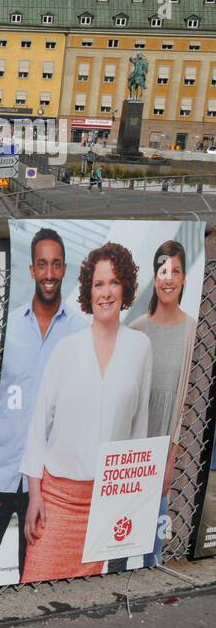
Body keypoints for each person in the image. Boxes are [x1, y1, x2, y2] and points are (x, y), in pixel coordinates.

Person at [21, 243, 152, 583]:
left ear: (125, 288)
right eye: (98, 284)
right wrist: (35, 496)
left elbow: (139, 431)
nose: (105, 293)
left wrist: (130, 500)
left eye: (113, 283)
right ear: (87, 291)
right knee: (36, 591)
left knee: (88, 608)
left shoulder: (141, 348)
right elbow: (38, 428)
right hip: (58, 500)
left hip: (108, 501)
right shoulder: (67, 349)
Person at [0, 229, 84, 586]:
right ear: (32, 270)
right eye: (41, 264)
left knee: (32, 577)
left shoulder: (80, 333)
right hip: (2, 474)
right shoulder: (10, 327)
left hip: (47, 480)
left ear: (64, 269)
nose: (49, 273)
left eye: (55, 264)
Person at [127, 240, 197, 568]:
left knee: (153, 534)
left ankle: (152, 570)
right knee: (121, 526)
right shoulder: (136, 329)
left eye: (176, 271)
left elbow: (183, 402)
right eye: (163, 270)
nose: (168, 278)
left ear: (183, 279)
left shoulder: (190, 331)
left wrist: (171, 455)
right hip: (131, 444)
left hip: (162, 443)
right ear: (155, 277)